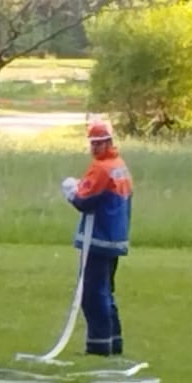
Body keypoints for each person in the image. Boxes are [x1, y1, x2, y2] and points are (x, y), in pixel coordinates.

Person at [62, 119, 132, 357]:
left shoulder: (101, 168)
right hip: (115, 237)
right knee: (105, 291)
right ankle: (114, 341)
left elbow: (85, 201)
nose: (95, 148)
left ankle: (99, 345)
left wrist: (71, 192)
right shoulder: (118, 165)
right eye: (93, 143)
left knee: (93, 293)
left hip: (99, 238)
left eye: (99, 143)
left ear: (109, 142)